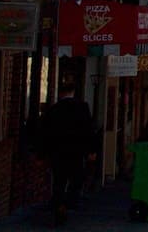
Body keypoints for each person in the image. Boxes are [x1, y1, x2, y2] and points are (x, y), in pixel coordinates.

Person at [39, 83, 96, 225]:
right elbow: (89, 130)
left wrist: (42, 153)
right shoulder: (83, 108)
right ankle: (69, 202)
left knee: (59, 179)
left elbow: (45, 133)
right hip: (76, 152)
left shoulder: (53, 110)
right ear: (73, 92)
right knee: (76, 178)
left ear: (60, 93)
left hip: (58, 152)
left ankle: (59, 204)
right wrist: (91, 150)